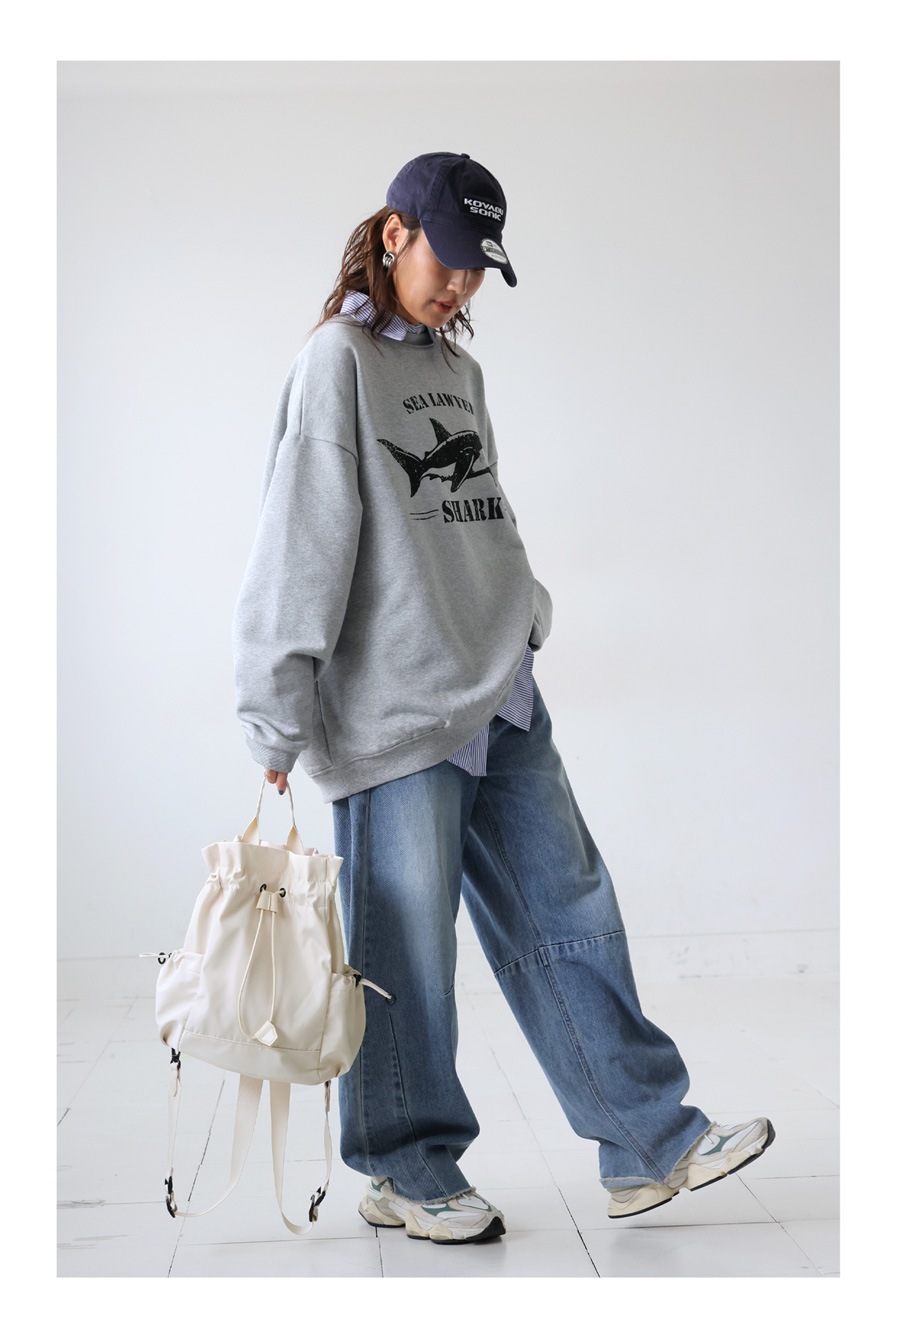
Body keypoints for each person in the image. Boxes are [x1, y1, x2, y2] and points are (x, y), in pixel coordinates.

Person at [232, 151, 774, 1245]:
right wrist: (275, 707)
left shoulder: (456, 368)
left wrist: (524, 608)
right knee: (405, 953)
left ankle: (648, 1142)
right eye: (447, 257)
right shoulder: (335, 364)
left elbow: (480, 506)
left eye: (479, 267)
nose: (461, 283)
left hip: (500, 692)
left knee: (571, 914)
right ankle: (406, 1167)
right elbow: (300, 538)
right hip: (394, 712)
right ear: (395, 233)